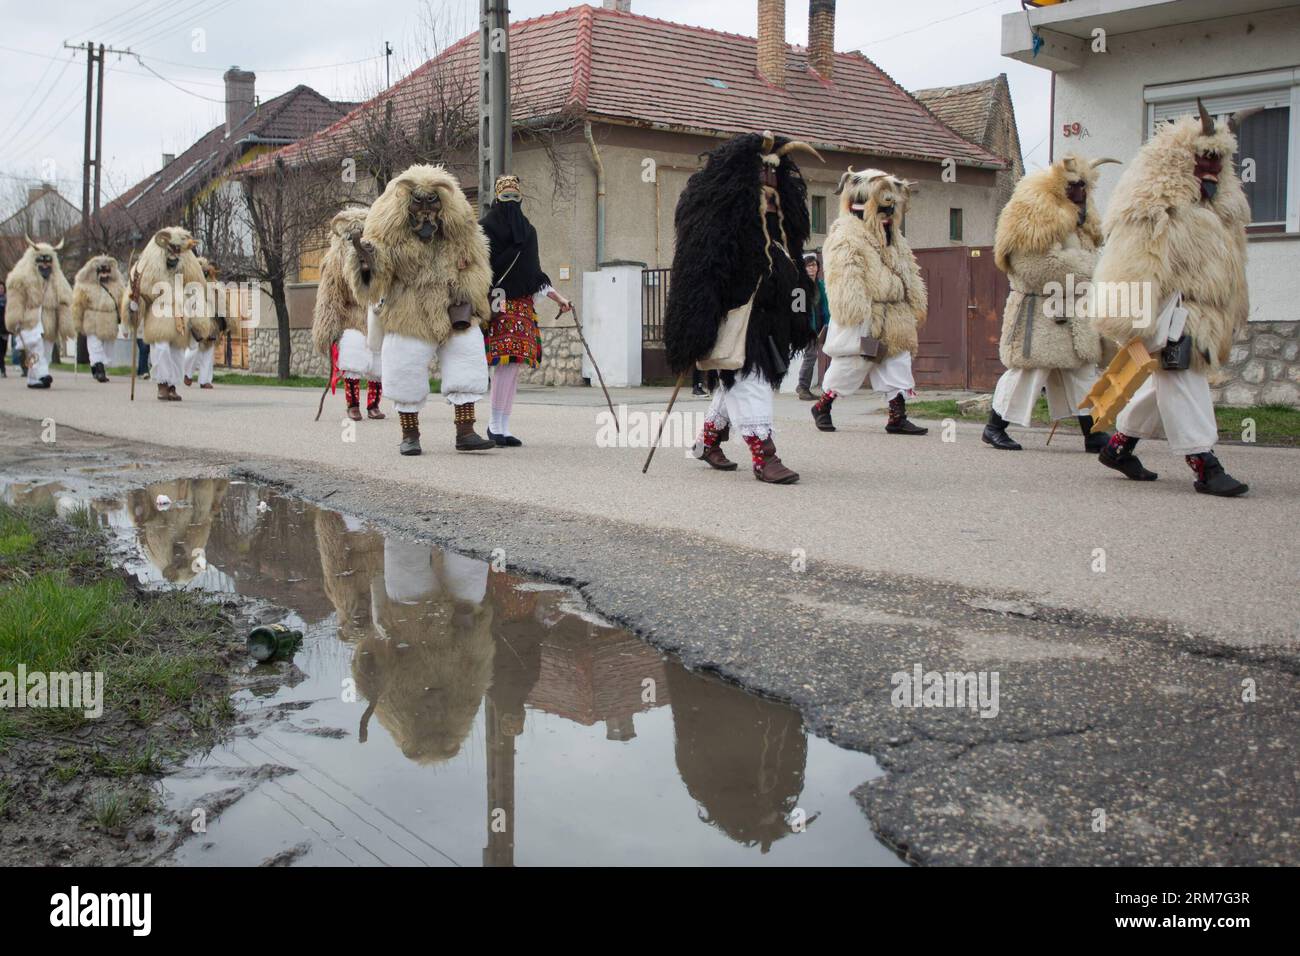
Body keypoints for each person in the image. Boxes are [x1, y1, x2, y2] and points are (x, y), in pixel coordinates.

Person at [1090, 100, 1255, 497]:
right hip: (1171, 313)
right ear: (1181, 158)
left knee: (1164, 381)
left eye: (1218, 160)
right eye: (1203, 159)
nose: (1211, 169)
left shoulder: (1221, 209)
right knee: (1183, 380)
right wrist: (1130, 316)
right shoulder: (1152, 202)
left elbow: (1230, 268)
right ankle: (1204, 463)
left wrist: (1233, 307)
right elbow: (1131, 263)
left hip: (1203, 313)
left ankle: (1118, 446)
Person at [663, 131, 822, 484]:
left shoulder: (779, 238)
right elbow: (699, 278)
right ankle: (764, 456)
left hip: (768, 327)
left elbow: (793, 283)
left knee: (737, 382)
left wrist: (797, 314)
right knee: (749, 384)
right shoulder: (723, 231)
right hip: (737, 324)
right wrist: (695, 329)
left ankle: (707, 442)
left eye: (774, 189)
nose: (770, 196)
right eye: (762, 189)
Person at [345, 164, 495, 456]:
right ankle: (410, 435)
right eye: (419, 202)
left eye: (433, 202)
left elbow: (478, 267)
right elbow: (374, 282)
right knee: (404, 364)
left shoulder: (460, 235)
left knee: (467, 357)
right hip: (408, 313)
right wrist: (366, 262)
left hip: (454, 312)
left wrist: (467, 290)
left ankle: (466, 431)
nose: (426, 211)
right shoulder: (390, 238)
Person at [982, 155, 1120, 452]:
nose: (1081, 193)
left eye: (1084, 186)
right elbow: (1037, 268)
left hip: (1073, 313)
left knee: (1082, 372)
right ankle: (994, 427)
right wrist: (1092, 271)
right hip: (1040, 314)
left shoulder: (1079, 224)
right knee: (1029, 371)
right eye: (1074, 186)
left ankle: (1094, 432)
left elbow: (1084, 259)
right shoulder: (1032, 217)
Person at [813, 168, 929, 435]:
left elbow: (907, 269)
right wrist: (855, 310)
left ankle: (896, 416)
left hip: (895, 313)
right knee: (855, 363)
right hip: (866, 314)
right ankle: (823, 406)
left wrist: (914, 300)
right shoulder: (846, 234)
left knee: (897, 361)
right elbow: (844, 273)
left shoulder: (893, 238)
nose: (887, 218)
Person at [479, 174, 571, 447]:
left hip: (522, 306)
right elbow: (477, 268)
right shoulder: (483, 229)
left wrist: (559, 298)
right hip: (496, 304)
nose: (510, 203)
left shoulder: (528, 232)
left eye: (515, 197)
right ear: (497, 198)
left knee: (515, 366)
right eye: (506, 197)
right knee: (503, 364)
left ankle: (504, 425)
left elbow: (534, 273)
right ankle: (494, 425)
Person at [312, 207, 383, 421]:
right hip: (351, 318)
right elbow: (329, 299)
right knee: (352, 354)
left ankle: (373, 404)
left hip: (374, 315)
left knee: (377, 361)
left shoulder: (378, 259)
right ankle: (353, 405)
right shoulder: (334, 263)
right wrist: (328, 329)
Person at [122, 226, 210, 401]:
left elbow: (196, 290)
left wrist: (198, 318)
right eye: (172, 250)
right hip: (158, 316)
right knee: (161, 348)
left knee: (177, 351)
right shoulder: (149, 270)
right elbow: (140, 295)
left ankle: (172, 385)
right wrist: (133, 305)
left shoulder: (186, 269)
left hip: (179, 315)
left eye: (178, 250)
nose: (174, 254)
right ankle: (162, 384)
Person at [4, 238, 73, 389]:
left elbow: (65, 300)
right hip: (30, 319)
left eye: (48, 260)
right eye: (41, 260)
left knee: (46, 350)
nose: (45, 264)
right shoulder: (21, 277)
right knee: (35, 347)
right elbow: (16, 300)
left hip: (49, 321)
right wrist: (14, 319)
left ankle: (33, 379)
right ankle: (42, 374)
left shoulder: (57, 279)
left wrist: (65, 323)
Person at [72, 254, 126, 384]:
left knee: (108, 348)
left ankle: (96, 366)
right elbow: (78, 305)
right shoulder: (85, 286)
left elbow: (122, 304)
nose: (104, 274)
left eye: (107, 271)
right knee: (95, 345)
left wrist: (126, 318)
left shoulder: (117, 286)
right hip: (92, 320)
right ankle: (99, 368)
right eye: (102, 271)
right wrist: (77, 322)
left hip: (110, 320)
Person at [181, 257, 224, 390]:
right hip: (195, 318)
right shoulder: (189, 283)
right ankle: (186, 373)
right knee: (193, 348)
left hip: (211, 319)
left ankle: (205, 380)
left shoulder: (212, 283)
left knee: (208, 350)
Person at [795, 251, 829, 400]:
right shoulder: (800, 286)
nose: (812, 268)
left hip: (821, 327)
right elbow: (797, 310)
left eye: (814, 265)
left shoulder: (820, 284)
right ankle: (802, 387)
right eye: (808, 266)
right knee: (810, 356)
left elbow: (825, 306)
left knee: (813, 355)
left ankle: (808, 386)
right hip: (808, 327)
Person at [0, 281, 8, 377]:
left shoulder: (7, 301)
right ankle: (3, 369)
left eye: (2, 288)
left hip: (5, 329)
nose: (0, 290)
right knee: (0, 351)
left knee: (4, 349)